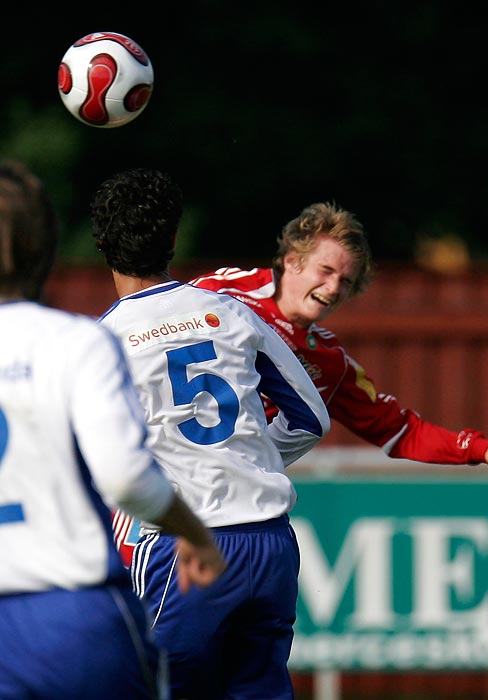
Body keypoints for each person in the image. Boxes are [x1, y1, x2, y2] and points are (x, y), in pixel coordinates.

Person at [90, 168, 330, 700]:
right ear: (174, 238)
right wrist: (244, 460)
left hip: (187, 550)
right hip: (270, 547)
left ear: (102, 244)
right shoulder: (229, 311)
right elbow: (311, 417)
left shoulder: (105, 340)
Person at [0, 160, 225, 700]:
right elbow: (126, 478)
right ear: (47, 248)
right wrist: (193, 533)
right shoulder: (78, 341)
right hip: (72, 617)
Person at [191, 201, 488, 475]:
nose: (334, 288)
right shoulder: (224, 291)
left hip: (236, 495)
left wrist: (480, 449)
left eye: (346, 281)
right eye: (325, 271)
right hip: (166, 467)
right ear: (292, 261)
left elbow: (400, 431)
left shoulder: (328, 362)